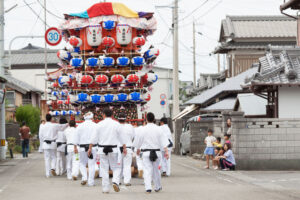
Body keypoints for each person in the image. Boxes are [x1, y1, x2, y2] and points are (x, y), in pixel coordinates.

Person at [89, 108, 127, 193]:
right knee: (117, 167)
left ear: (103, 115)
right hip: (113, 149)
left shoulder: (99, 124)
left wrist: (90, 148)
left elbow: (93, 138)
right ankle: (115, 181)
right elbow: (122, 137)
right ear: (112, 115)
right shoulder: (116, 124)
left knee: (103, 169)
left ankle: (105, 189)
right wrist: (124, 147)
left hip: (102, 150)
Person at [134, 112, 169, 194]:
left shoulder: (142, 129)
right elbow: (164, 142)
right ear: (154, 119)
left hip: (146, 153)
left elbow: (138, 141)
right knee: (156, 170)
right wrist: (166, 152)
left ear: (146, 119)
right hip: (157, 152)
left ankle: (148, 188)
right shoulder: (159, 129)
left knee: (147, 170)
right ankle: (157, 187)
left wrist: (138, 149)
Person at [74, 112, 97, 186]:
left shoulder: (80, 126)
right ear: (92, 118)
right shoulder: (95, 125)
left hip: (82, 147)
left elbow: (76, 137)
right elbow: (98, 137)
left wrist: (75, 147)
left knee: (82, 163)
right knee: (92, 164)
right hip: (93, 147)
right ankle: (91, 182)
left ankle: (84, 178)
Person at [118, 113, 135, 186]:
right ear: (125, 119)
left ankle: (117, 180)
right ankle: (127, 181)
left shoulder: (116, 126)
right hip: (128, 147)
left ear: (118, 119)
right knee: (127, 165)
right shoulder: (130, 126)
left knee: (118, 165)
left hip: (117, 148)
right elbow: (133, 136)